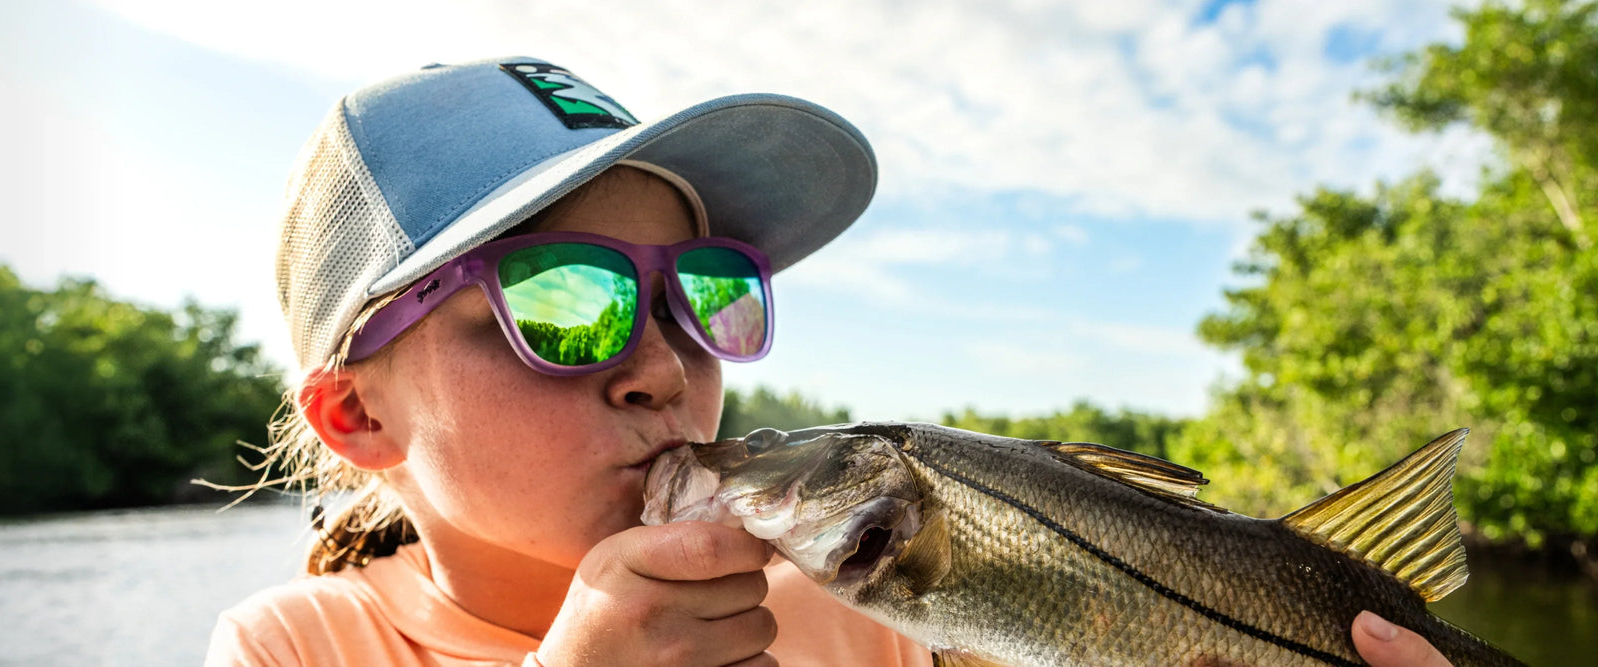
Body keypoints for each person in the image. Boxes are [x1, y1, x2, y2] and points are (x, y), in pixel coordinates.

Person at [206, 57, 1454, 667]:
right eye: (564, 298)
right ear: (352, 413)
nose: (661, 366)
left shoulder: (860, 616)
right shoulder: (297, 644)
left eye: (706, 295)